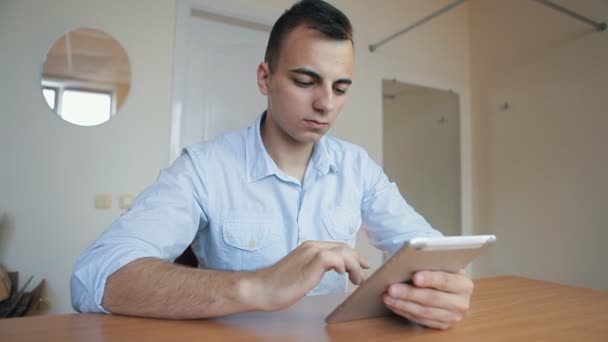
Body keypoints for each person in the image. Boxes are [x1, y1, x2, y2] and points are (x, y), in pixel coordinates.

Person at [71, 0, 473, 330]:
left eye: (340, 88)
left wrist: (444, 286)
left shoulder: (357, 167)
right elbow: (94, 276)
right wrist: (256, 287)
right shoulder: (204, 168)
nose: (326, 104)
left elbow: (426, 248)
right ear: (266, 78)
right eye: (305, 81)